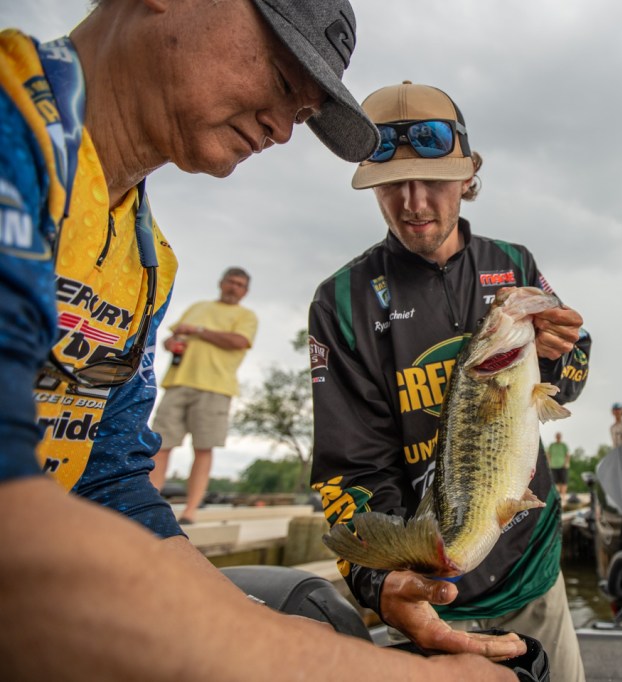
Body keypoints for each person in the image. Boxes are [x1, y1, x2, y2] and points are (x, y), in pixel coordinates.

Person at [0, 2, 515, 680]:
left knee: (301, 612)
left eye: (303, 111)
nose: (283, 128)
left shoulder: (146, 262)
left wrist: (265, 627)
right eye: (280, 69)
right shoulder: (14, 140)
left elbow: (108, 479)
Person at [308, 81, 593, 682]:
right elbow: (350, 465)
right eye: (393, 184)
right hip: (432, 590)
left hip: (532, 569)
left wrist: (558, 353)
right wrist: (381, 579)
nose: (413, 203)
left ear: (467, 177)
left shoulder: (513, 264)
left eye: (433, 181)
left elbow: (569, 381)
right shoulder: (342, 301)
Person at [149, 267, 258, 524]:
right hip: (178, 382)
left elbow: (238, 341)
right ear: (221, 283)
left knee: (203, 448)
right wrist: (171, 343)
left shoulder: (246, 316)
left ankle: (190, 511)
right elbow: (172, 337)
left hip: (215, 387)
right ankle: (149, 503)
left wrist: (198, 330)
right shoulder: (197, 307)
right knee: (160, 445)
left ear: (245, 291)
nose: (234, 287)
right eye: (230, 282)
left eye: (240, 284)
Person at [547, 432, 571, 497]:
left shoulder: (564, 445)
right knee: (555, 482)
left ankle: (563, 496)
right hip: (553, 466)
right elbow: (548, 454)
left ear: (561, 437)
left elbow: (568, 455)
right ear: (555, 437)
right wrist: (549, 463)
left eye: (559, 436)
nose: (558, 438)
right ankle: (558, 496)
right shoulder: (552, 445)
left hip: (563, 466)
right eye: (557, 436)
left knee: (564, 482)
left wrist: (566, 463)